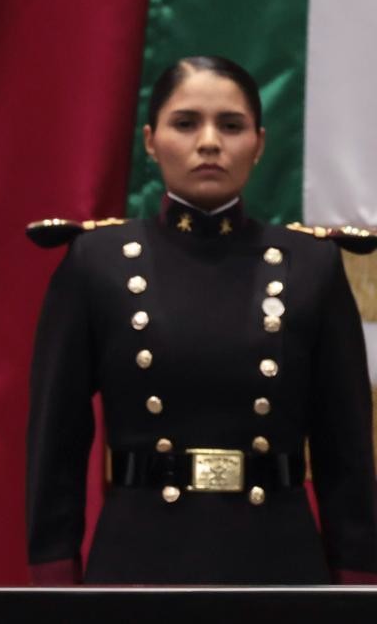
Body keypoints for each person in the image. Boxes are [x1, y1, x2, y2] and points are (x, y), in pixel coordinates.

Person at [25, 56, 377, 584]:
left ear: (259, 143)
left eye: (231, 125)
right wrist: (54, 577)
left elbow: (346, 449)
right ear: (150, 140)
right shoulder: (96, 261)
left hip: (278, 561)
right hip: (138, 558)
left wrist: (357, 580)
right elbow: (56, 440)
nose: (209, 141)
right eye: (186, 123)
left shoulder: (312, 267)